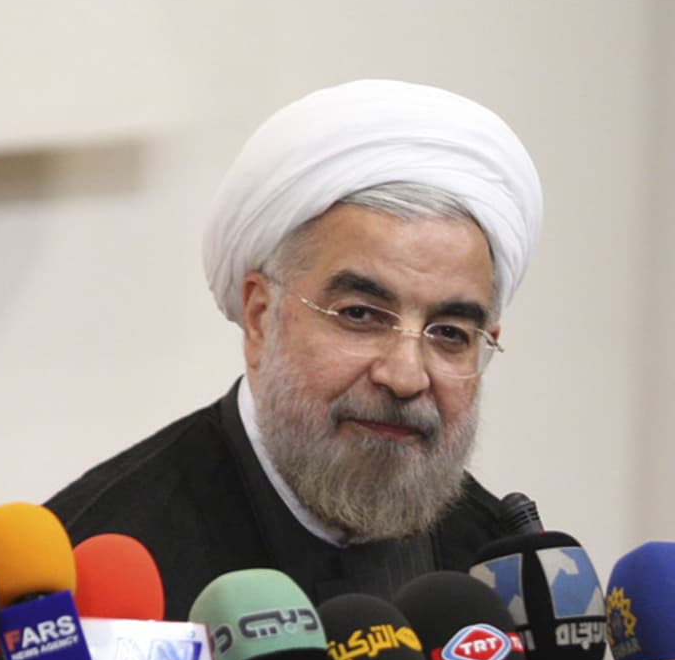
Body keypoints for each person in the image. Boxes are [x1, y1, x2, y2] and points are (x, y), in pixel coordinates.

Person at [47, 79, 543, 615]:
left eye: (450, 333)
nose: (405, 376)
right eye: (360, 315)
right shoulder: (92, 566)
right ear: (261, 317)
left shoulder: (498, 571)